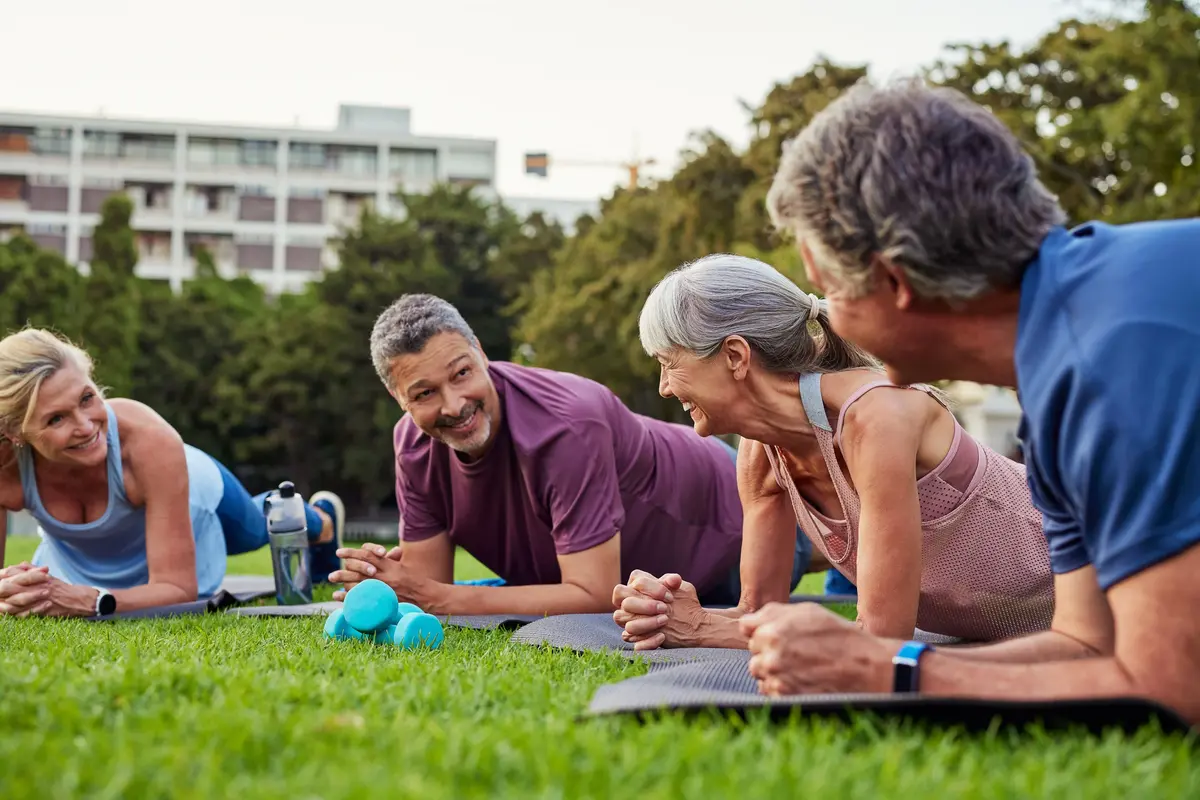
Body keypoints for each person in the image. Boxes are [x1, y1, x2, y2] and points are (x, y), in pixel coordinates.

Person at [735, 76, 1200, 726]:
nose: (828, 326)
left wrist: (887, 670)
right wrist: (873, 660)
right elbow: (1085, 644)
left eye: (826, 294)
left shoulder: (1112, 354)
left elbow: (1170, 687)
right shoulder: (1068, 350)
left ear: (892, 280)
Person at [611, 254, 1054, 651]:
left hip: (1098, 581)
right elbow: (757, 612)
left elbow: (881, 638)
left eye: (670, 363)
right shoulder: (761, 454)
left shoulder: (876, 417)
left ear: (734, 356)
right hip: (1006, 633)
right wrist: (668, 612)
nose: (664, 387)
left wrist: (703, 628)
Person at [329, 293, 824, 616]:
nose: (454, 406)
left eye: (461, 373)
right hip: (654, 575)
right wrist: (386, 581)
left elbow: (590, 596)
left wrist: (442, 598)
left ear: (481, 352)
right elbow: (429, 588)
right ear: (398, 399)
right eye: (423, 394)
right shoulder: (412, 445)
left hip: (734, 517)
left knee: (838, 541)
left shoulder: (565, 424)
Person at [0, 328, 345, 618]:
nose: (86, 426)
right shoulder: (6, 468)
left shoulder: (150, 441)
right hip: (104, 551)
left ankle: (321, 519)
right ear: (15, 432)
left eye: (87, 398)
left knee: (256, 529)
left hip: (192, 484)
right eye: (56, 419)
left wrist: (89, 601)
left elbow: (178, 590)